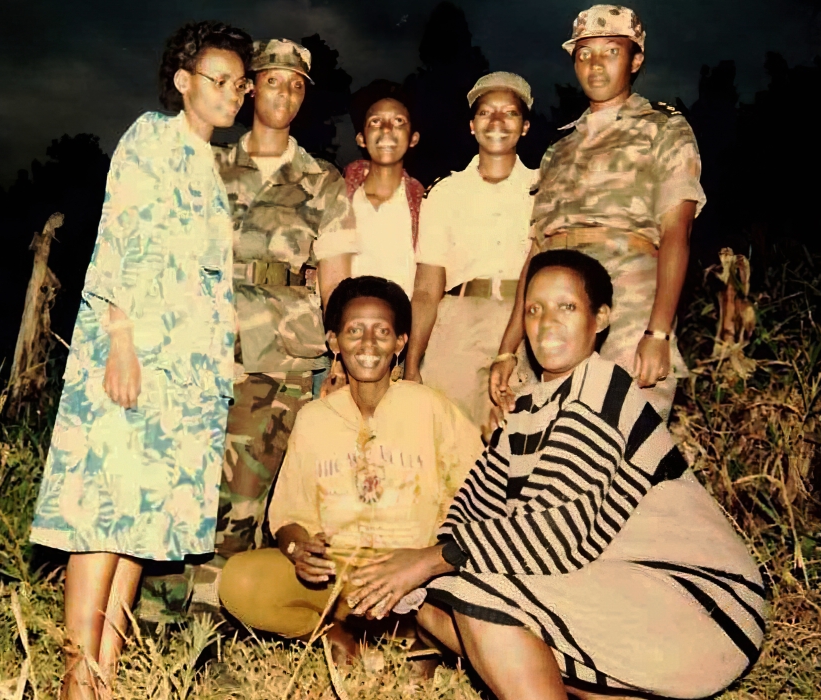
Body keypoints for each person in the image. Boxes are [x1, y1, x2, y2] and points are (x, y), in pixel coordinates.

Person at [347, 250, 766, 700]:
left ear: (600, 318)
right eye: (533, 309)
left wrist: (429, 559)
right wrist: (417, 563)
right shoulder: (529, 407)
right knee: (432, 595)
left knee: (477, 594)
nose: (546, 323)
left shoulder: (604, 390)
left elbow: (558, 534)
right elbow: (471, 508)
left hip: (701, 604)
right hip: (619, 591)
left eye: (566, 307)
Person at [26, 20, 253, 699]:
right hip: (132, 353)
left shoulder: (212, 169)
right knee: (101, 515)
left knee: (140, 522)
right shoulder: (151, 137)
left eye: (240, 84)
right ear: (183, 82)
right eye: (220, 80)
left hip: (186, 373)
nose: (233, 94)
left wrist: (220, 363)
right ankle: (75, 677)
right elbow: (118, 237)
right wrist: (120, 340)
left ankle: (107, 672)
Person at [218, 275, 482, 662]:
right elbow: (290, 518)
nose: (369, 343)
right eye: (354, 330)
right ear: (333, 343)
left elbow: (478, 497)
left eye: (382, 331)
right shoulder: (314, 418)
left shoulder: (431, 408)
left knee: (477, 595)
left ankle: (418, 636)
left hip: (417, 577)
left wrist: (426, 562)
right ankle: (334, 632)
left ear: (400, 343)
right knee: (239, 581)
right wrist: (299, 551)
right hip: (339, 580)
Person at [180, 39, 358, 607]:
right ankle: (162, 616)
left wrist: (339, 363)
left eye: (297, 85)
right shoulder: (209, 161)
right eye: (274, 81)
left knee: (245, 498)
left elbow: (335, 281)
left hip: (278, 358)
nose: (284, 93)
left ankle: (213, 627)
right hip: (203, 344)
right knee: (185, 482)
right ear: (252, 87)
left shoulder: (324, 181)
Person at [491, 4, 705, 421]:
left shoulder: (664, 127)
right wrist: (508, 347)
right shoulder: (559, 149)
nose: (595, 64)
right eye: (584, 53)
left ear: (636, 60)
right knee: (547, 443)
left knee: (624, 439)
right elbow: (536, 253)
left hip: (628, 305)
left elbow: (677, 232)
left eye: (611, 51)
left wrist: (658, 331)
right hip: (554, 305)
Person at [405, 71, 540, 435]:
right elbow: (426, 289)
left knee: (519, 440)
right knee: (449, 437)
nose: (496, 122)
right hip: (459, 324)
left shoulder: (544, 189)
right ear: (471, 125)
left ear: (525, 127)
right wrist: (412, 364)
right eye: (485, 113)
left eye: (509, 113)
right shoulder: (445, 193)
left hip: (526, 321)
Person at [344, 80, 425, 298]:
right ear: (361, 139)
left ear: (413, 139)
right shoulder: (337, 198)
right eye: (375, 122)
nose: (387, 129)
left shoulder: (425, 206)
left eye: (398, 121)